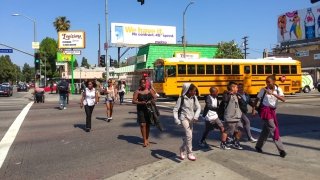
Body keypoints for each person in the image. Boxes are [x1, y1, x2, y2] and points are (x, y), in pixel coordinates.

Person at [252, 75, 287, 158]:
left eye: (269, 82)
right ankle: (281, 150)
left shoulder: (278, 89)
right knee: (274, 129)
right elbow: (257, 99)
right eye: (266, 82)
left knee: (266, 130)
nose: (267, 83)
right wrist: (253, 109)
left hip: (273, 111)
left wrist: (273, 94)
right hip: (265, 111)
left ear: (274, 82)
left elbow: (283, 99)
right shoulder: (263, 90)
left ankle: (258, 146)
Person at [173, 83, 201, 161]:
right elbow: (175, 110)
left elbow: (199, 107)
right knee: (189, 135)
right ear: (189, 91)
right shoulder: (181, 98)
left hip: (191, 118)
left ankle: (182, 149)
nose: (195, 93)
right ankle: (190, 153)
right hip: (183, 118)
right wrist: (176, 119)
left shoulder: (194, 98)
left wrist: (196, 116)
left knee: (189, 136)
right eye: (194, 91)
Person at [132, 79, 157, 147]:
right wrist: (140, 102)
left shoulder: (149, 90)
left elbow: (155, 97)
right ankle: (144, 140)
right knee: (143, 124)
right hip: (141, 110)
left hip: (148, 109)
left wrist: (151, 101)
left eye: (144, 83)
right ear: (140, 84)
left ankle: (147, 138)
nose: (143, 84)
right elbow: (133, 101)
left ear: (146, 83)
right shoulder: (137, 91)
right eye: (142, 83)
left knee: (148, 125)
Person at [222, 81, 244, 150]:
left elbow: (243, 102)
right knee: (226, 131)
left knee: (239, 129)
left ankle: (236, 142)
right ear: (232, 88)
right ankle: (223, 143)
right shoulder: (227, 95)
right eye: (236, 87)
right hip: (230, 117)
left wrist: (239, 97)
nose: (238, 89)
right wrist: (227, 93)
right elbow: (224, 99)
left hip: (237, 116)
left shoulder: (236, 95)